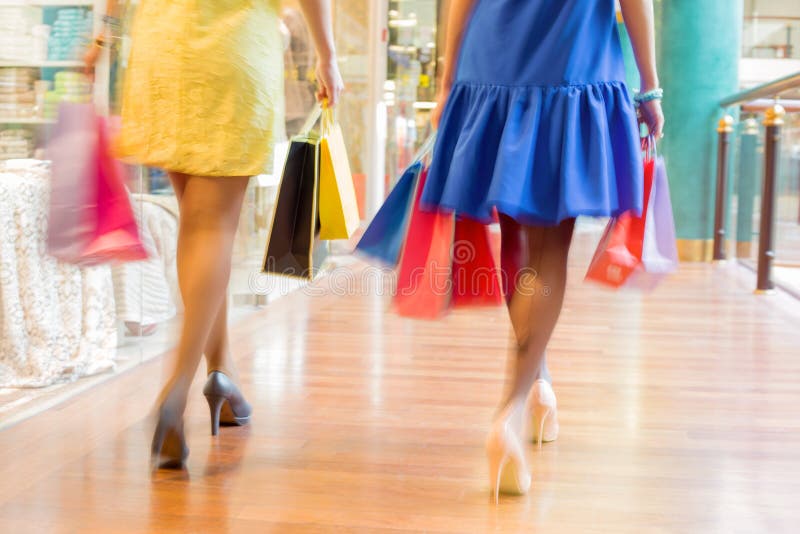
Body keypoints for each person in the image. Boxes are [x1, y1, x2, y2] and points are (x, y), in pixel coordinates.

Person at [86, 0, 344, 469]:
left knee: (198, 224)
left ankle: (223, 374)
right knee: (213, 226)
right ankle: (176, 389)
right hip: (233, 48)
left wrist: (104, 33)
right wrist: (327, 55)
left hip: (163, 51)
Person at [425, 0, 664, 501]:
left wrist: (447, 82)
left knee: (517, 234)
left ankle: (539, 384)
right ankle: (511, 410)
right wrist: (650, 86)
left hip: (493, 63)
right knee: (547, 252)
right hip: (571, 63)